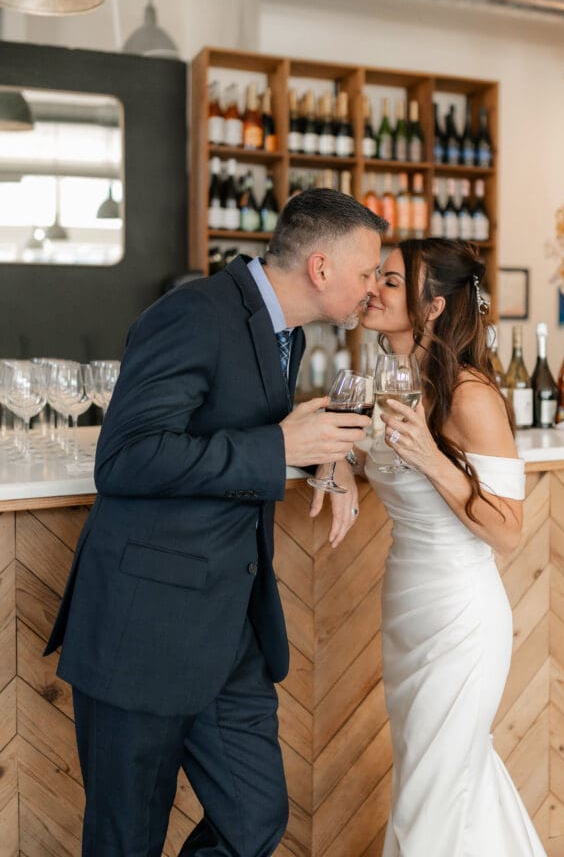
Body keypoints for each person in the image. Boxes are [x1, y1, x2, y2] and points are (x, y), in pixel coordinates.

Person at [44, 188, 388, 857]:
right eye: (369, 270)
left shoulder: (278, 328)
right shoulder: (194, 315)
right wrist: (282, 449)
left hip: (231, 631)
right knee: (126, 840)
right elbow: (126, 458)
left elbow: (246, 433)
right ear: (321, 268)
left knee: (254, 819)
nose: (374, 287)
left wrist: (323, 460)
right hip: (144, 628)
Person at [355, 237, 547, 856]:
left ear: (432, 306)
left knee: (429, 796)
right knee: (453, 782)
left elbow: (509, 531)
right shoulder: (394, 381)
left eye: (388, 281)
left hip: (459, 618)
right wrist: (334, 469)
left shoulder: (471, 395)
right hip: (405, 607)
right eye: (376, 278)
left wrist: (434, 461)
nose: (372, 290)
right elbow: (361, 451)